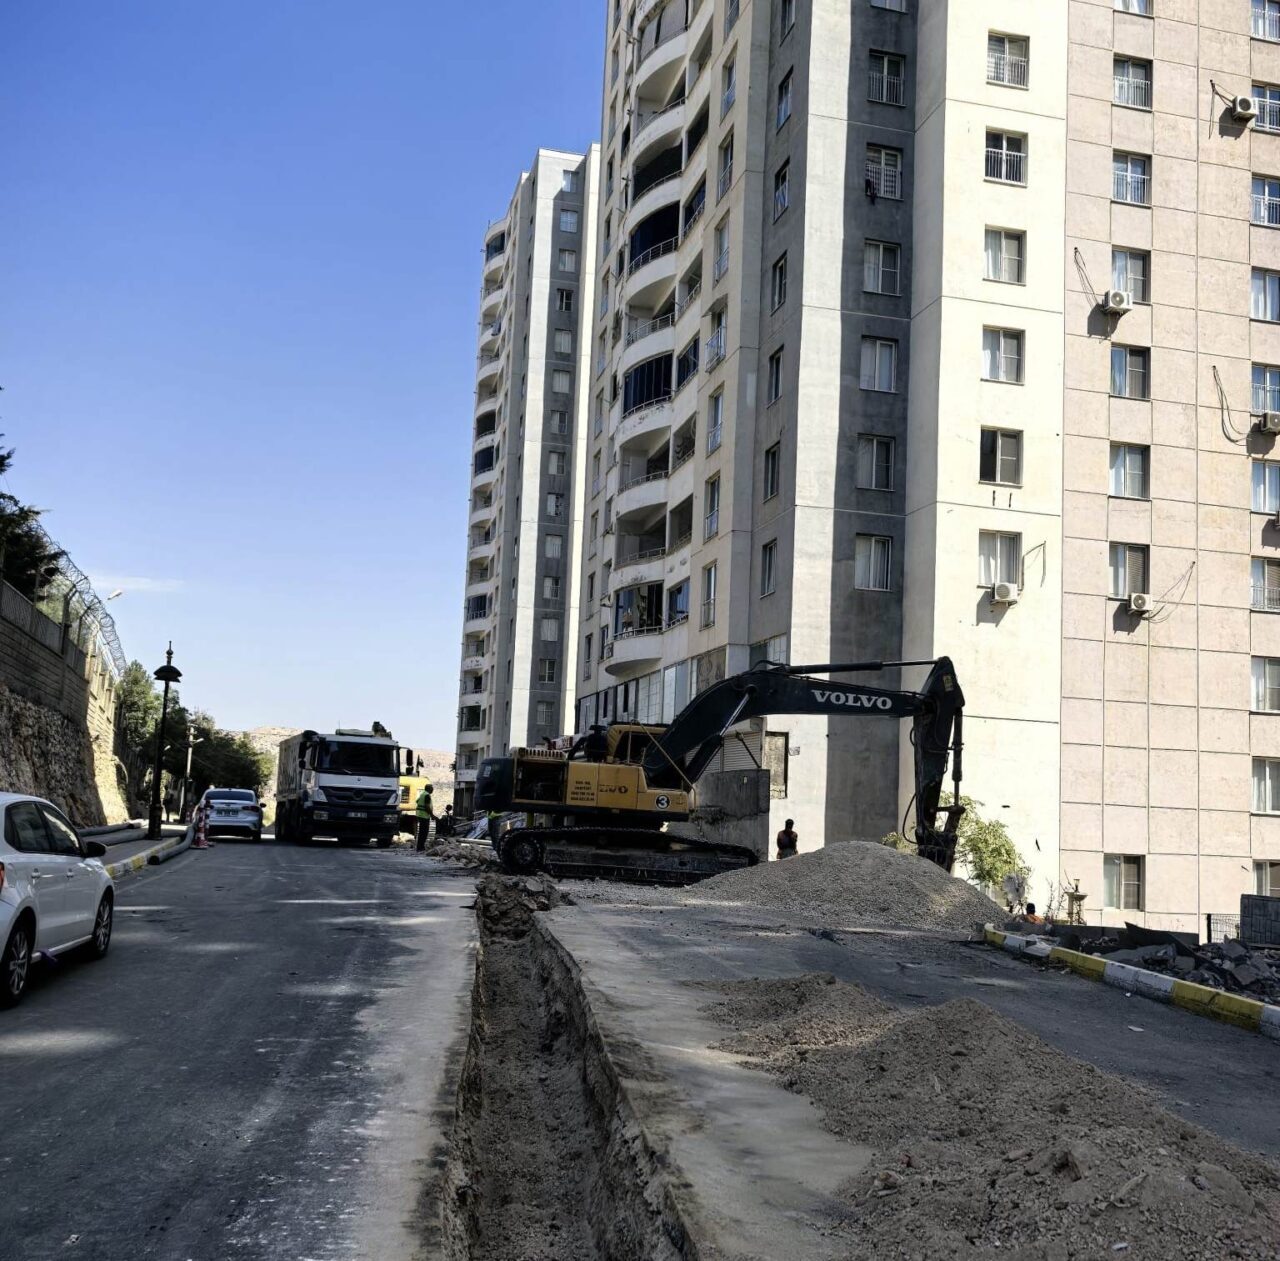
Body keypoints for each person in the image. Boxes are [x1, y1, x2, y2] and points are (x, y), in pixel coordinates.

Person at [415, 780, 435, 852]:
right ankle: (420, 847)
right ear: (428, 789)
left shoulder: (422, 794)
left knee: (421, 832)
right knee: (424, 832)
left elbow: (417, 801)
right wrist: (432, 815)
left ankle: (419, 847)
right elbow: (427, 806)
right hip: (424, 816)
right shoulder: (427, 795)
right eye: (432, 789)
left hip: (420, 814)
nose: (433, 790)